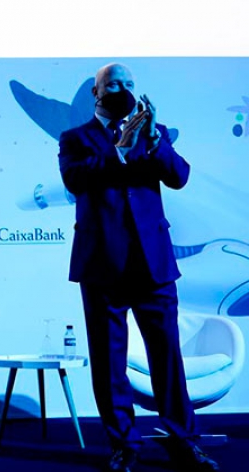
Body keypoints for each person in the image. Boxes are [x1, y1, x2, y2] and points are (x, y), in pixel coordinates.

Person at [58, 63, 219, 472]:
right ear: (96, 92)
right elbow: (75, 181)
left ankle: (183, 442)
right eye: (113, 83)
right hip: (102, 265)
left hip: (154, 265)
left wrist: (152, 139)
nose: (122, 89)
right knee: (109, 362)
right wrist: (118, 149)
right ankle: (124, 445)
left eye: (129, 83)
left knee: (167, 358)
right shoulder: (75, 138)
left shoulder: (154, 132)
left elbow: (179, 176)